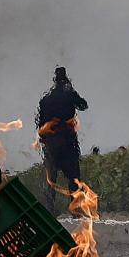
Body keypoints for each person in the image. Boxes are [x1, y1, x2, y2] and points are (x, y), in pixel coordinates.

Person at [36, 66, 88, 215]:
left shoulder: (45, 99)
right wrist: (72, 91)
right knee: (73, 176)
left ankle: (50, 210)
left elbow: (40, 125)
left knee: (51, 178)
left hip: (51, 144)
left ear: (54, 79)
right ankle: (75, 209)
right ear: (65, 79)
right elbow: (84, 105)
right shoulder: (69, 94)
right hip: (67, 142)